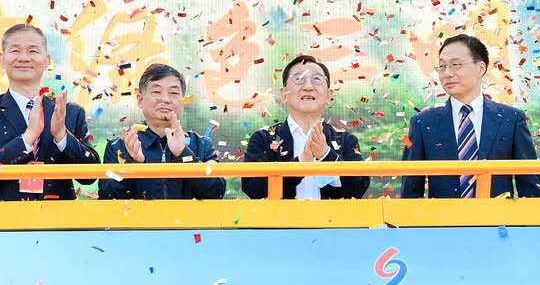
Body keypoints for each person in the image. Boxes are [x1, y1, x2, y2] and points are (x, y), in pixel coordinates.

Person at [0, 23, 99, 201]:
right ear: (2, 59)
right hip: (4, 216)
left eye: (33, 51)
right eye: (15, 51)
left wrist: (62, 136)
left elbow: (90, 175)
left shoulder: (70, 113)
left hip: (60, 216)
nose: (24, 58)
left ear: (47, 61)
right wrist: (26, 139)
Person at [401, 34, 540, 198]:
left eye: (455, 65)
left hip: (497, 215)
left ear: (480, 68)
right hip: (442, 215)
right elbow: (410, 192)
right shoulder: (423, 122)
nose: (447, 73)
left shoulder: (511, 119)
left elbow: (531, 189)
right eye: (442, 66)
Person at [241, 55, 369, 200]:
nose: (308, 87)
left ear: (329, 95)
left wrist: (326, 155)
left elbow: (358, 189)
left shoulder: (346, 140)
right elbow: (253, 189)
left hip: (332, 216)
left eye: (317, 79)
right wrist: (301, 161)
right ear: (284, 94)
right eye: (298, 79)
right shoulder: (263, 138)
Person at [98, 63, 225, 200]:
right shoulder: (119, 146)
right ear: (140, 99)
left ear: (183, 101)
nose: (165, 99)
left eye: (174, 93)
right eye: (157, 92)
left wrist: (184, 154)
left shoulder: (201, 145)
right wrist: (134, 164)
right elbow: (107, 195)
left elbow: (216, 192)